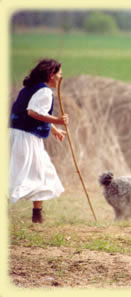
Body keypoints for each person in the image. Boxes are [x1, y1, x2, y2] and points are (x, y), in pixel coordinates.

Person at [8, 58, 69, 223]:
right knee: (24, 174)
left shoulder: (28, 88)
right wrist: (57, 120)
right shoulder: (45, 92)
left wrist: (54, 129)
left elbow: (35, 113)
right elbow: (33, 112)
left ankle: (37, 214)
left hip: (15, 133)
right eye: (59, 74)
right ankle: (35, 214)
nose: (61, 77)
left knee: (39, 172)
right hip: (26, 138)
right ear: (51, 74)